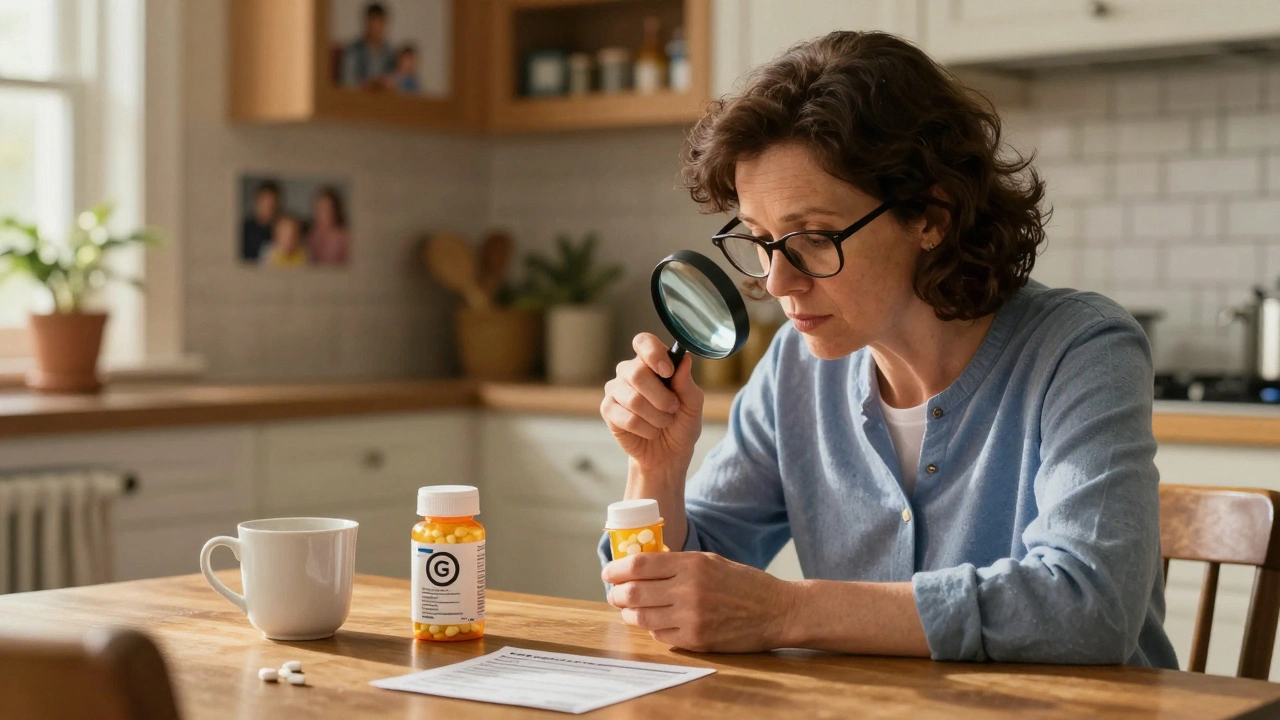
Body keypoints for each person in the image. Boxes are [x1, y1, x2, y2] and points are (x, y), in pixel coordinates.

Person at [597, 31, 1179, 669]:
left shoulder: (1081, 349)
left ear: (931, 215)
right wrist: (655, 467)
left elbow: (1089, 607)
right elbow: (670, 590)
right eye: (761, 240)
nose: (777, 281)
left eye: (814, 237)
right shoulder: (795, 365)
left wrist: (786, 611)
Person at [341, 2, 393, 89]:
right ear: (366, 23)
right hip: (358, 100)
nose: (376, 29)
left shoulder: (391, 53)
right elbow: (347, 83)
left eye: (379, 24)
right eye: (372, 23)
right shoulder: (353, 51)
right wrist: (369, 85)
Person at [306, 186, 350, 266]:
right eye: (320, 208)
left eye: (328, 209)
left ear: (336, 210)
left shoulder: (345, 236)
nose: (324, 213)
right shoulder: (309, 234)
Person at [241, 181, 280, 262]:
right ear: (257, 201)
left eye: (272, 203)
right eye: (265, 202)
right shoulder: (244, 229)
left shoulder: (282, 228)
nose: (268, 207)